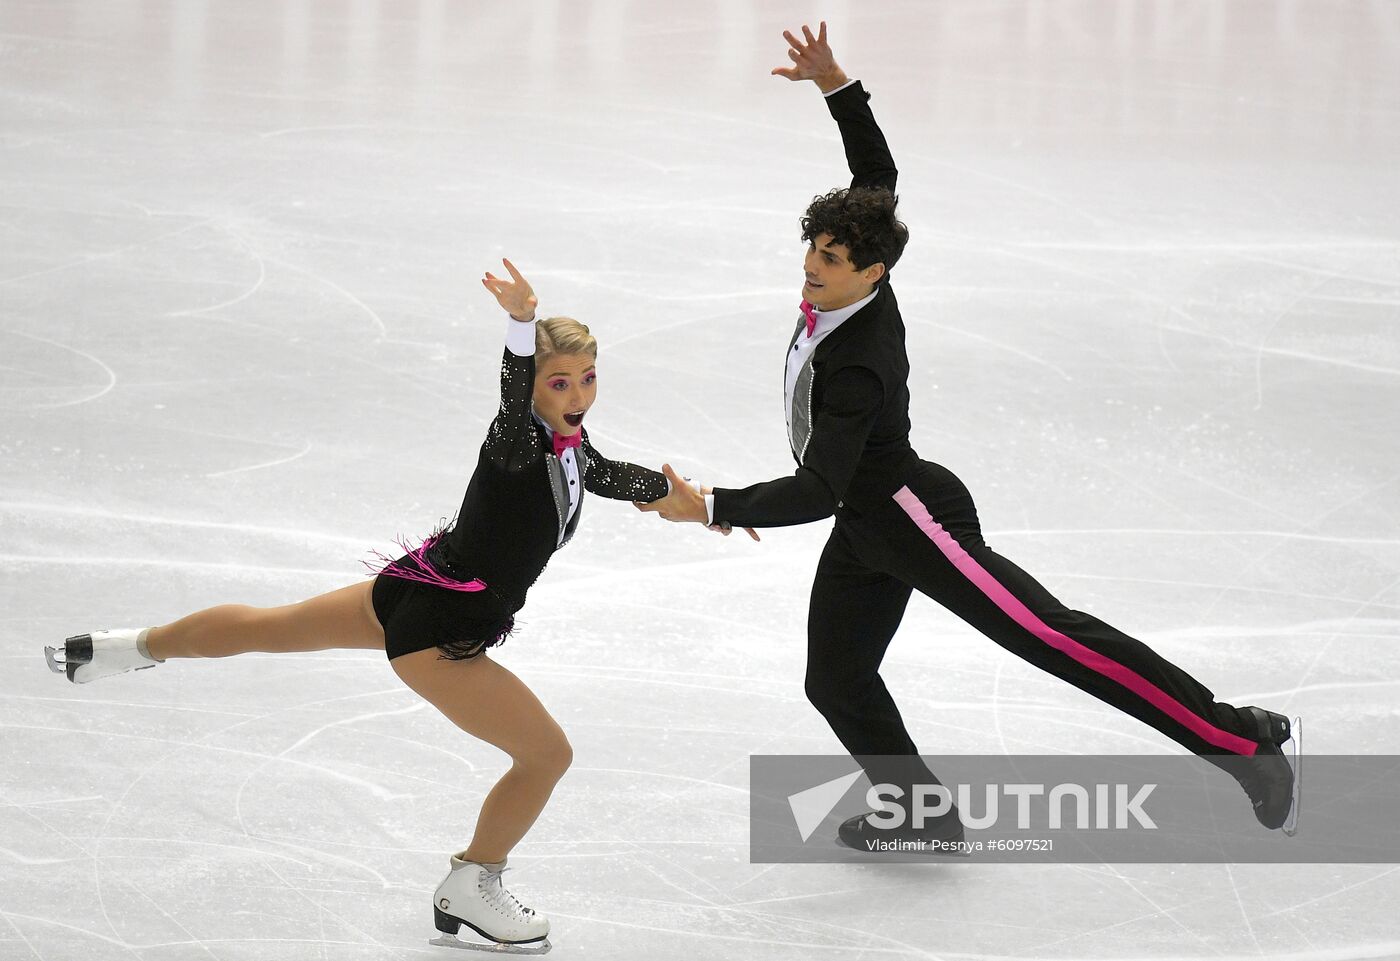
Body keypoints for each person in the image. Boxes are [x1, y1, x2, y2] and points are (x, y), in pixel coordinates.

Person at [637, 23, 1299, 849]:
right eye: (814, 246)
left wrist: (713, 505)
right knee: (836, 678)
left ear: (873, 271)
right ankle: (923, 811)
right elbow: (876, 179)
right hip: (870, 523)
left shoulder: (860, 362)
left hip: (911, 516)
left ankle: (1240, 737)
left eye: (832, 258)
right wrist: (838, 87)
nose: (812, 264)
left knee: (1052, 636)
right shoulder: (857, 274)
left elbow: (818, 488)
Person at [44, 259, 672, 952]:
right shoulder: (518, 440)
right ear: (535, 387)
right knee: (546, 755)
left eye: (588, 378)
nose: (578, 394)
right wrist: (521, 326)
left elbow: (608, 473)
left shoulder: (566, 444)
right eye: (559, 382)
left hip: (414, 586)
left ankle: (121, 648)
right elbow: (514, 391)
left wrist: (700, 504)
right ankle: (473, 882)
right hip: (440, 630)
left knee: (270, 626)